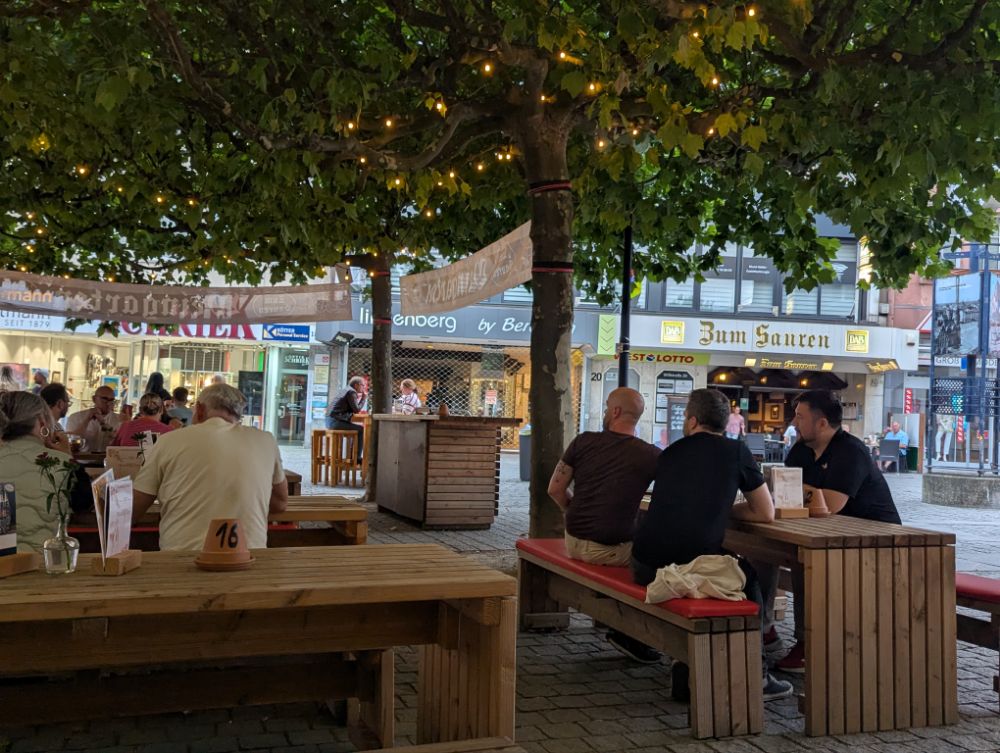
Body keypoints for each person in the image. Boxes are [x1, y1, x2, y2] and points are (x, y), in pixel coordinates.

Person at [626, 388, 792, 700]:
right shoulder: (736, 452)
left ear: (691, 421)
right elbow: (765, 512)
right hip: (690, 567)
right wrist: (724, 508)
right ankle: (757, 674)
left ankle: (686, 663)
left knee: (715, 566)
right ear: (726, 423)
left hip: (644, 564)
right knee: (749, 581)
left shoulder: (671, 452)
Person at [766, 390, 901, 673]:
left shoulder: (850, 451)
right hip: (828, 534)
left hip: (876, 542)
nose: (793, 423)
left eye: (800, 417)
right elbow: (783, 492)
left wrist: (795, 488)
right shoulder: (802, 449)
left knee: (806, 562)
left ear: (822, 423)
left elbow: (830, 504)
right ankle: (764, 628)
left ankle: (808, 645)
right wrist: (796, 490)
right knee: (761, 551)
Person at [132, 384, 288, 551]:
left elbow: (134, 508)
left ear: (200, 409)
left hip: (181, 558)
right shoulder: (265, 441)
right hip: (249, 557)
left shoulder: (168, 441)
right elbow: (280, 503)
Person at [547, 387, 661, 567]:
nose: (605, 412)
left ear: (616, 412)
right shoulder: (651, 454)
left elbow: (555, 489)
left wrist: (576, 511)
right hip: (611, 551)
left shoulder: (582, 441)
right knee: (666, 554)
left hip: (572, 542)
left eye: (607, 408)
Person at [0, 392, 92, 552]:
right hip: (46, 561)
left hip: (5, 562)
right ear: (42, 421)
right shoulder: (62, 464)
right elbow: (85, 503)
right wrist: (67, 456)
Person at [65, 386, 124, 453]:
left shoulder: (118, 420)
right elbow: (72, 441)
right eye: (104, 399)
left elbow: (120, 442)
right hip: (82, 458)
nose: (108, 403)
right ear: (94, 399)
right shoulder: (75, 417)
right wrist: (87, 419)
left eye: (111, 400)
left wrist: (103, 423)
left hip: (109, 458)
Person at [111, 393, 176, 447]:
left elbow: (112, 450)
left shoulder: (125, 426)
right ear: (161, 410)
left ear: (140, 410)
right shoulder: (169, 431)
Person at [327, 376, 366, 457]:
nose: (364, 387)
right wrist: (363, 398)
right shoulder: (351, 392)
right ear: (356, 385)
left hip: (330, 421)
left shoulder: (346, 390)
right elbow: (356, 410)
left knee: (354, 429)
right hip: (335, 422)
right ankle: (356, 458)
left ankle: (351, 457)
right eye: (362, 385)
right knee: (361, 429)